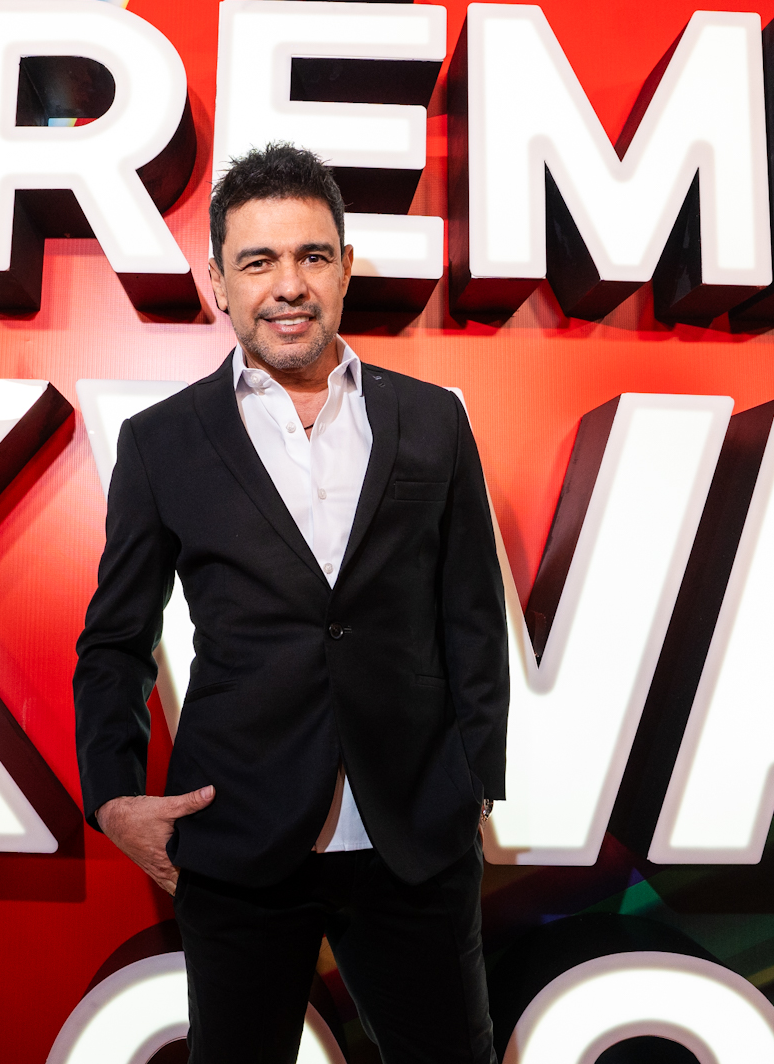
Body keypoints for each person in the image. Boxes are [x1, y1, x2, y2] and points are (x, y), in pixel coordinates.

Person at [73, 142, 509, 1063]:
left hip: (415, 838)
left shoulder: (433, 419)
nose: (289, 286)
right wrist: (111, 795)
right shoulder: (161, 443)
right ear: (219, 282)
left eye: (312, 256)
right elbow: (115, 639)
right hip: (235, 839)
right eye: (258, 261)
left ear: (345, 267)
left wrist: (474, 779)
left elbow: (472, 614)